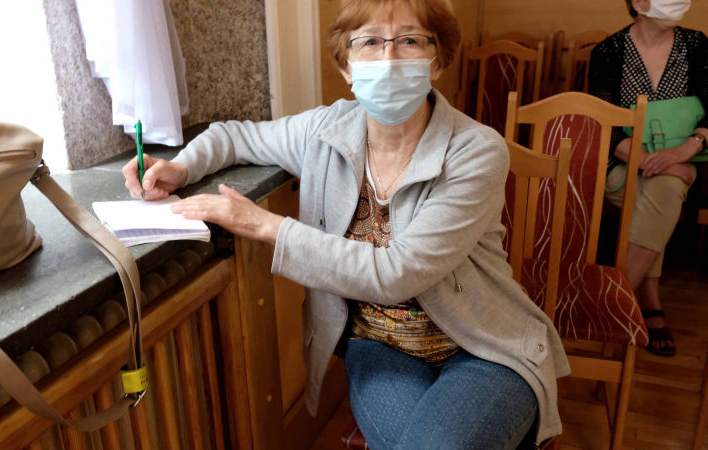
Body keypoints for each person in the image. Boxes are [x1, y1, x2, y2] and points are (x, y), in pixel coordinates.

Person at [123, 0, 570, 447]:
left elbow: (396, 273)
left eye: (409, 40)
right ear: (346, 66)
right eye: (370, 42)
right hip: (380, 349)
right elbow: (235, 136)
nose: (389, 58)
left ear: (437, 61)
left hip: (482, 347)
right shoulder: (326, 132)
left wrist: (264, 225)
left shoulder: (476, 150)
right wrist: (181, 167)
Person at [588, 0, 708, 357]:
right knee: (666, 188)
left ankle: (615, 298)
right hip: (622, 162)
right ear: (639, 3)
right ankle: (644, 299)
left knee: (664, 187)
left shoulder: (698, 44)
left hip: (684, 158)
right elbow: (604, 123)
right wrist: (654, 162)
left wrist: (685, 150)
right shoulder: (608, 51)